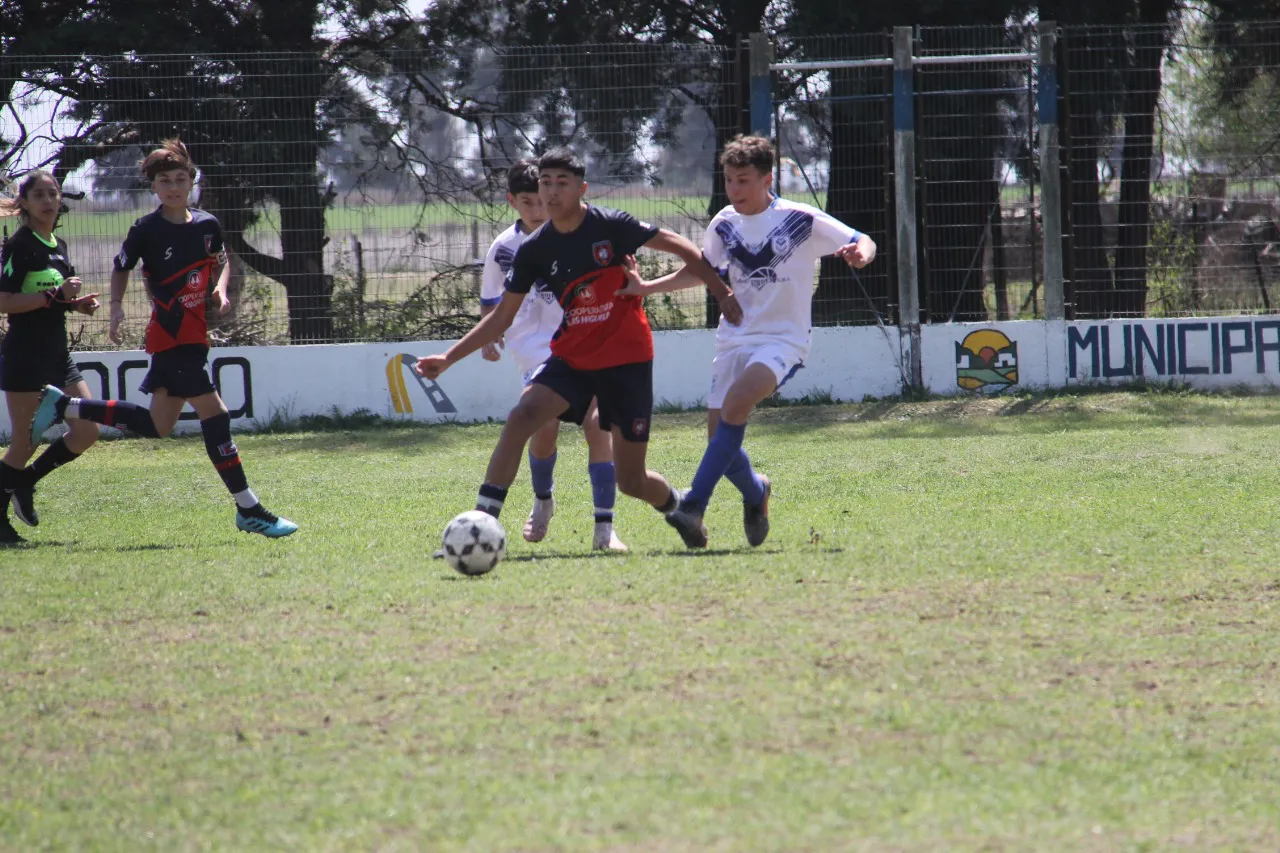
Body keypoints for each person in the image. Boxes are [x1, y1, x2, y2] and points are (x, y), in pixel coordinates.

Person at [414, 146, 743, 545]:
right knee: (523, 416)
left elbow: (679, 244)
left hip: (626, 362)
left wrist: (721, 290)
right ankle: (478, 529)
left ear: (581, 189)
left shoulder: (609, 224)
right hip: (573, 357)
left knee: (632, 481)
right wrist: (448, 358)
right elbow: (501, 317)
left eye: (561, 184)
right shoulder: (535, 249)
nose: (551, 193)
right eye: (545, 183)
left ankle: (679, 506)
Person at [29, 139, 297, 538]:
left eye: (179, 179)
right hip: (171, 337)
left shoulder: (207, 223)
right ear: (153, 187)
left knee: (158, 426)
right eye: (164, 181)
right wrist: (117, 306)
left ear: (191, 181)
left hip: (193, 336)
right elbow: (121, 268)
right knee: (217, 416)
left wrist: (221, 290)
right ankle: (250, 509)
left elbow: (221, 261)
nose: (173, 186)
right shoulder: (147, 229)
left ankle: (67, 406)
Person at [620, 135, 876, 548]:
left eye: (743, 180)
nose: (734, 190)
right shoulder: (724, 223)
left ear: (766, 179)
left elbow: (862, 238)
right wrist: (645, 288)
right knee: (719, 437)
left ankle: (694, 504)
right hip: (734, 341)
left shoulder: (798, 219)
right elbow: (703, 271)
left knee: (737, 404)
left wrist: (860, 253)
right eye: (728, 180)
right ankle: (757, 493)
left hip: (784, 341)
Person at [478, 160, 627, 551]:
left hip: (581, 344)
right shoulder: (504, 248)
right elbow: (491, 302)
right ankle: (543, 498)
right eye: (527, 202)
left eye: (541, 201)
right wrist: (487, 339)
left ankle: (605, 528)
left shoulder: (573, 235)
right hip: (532, 350)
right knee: (543, 430)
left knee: (598, 425)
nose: (537, 210)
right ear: (513, 202)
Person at [0, 171, 101, 545]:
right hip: (25, 354)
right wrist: (53, 297)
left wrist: (78, 305)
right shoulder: (19, 246)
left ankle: (26, 481)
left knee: (88, 428)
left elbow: (56, 301)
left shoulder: (59, 244)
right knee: (24, 443)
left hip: (58, 353)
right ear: (23, 203)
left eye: (52, 193)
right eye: (38, 194)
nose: (47, 200)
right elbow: (4, 301)